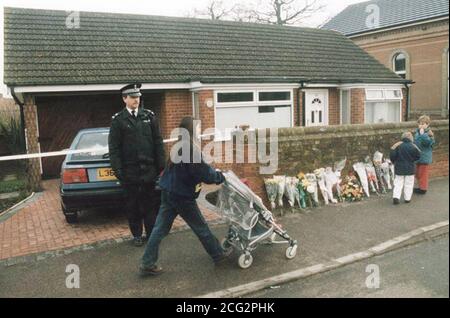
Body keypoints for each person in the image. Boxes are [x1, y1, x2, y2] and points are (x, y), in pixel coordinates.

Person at [139, 116, 232, 276]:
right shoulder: (190, 149)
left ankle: (147, 263)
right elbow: (204, 173)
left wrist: (212, 172)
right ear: (190, 130)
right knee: (200, 226)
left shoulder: (180, 145)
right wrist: (220, 176)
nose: (199, 131)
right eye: (197, 128)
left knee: (159, 229)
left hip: (168, 191)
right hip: (181, 195)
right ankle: (218, 255)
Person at [109, 83, 165, 247]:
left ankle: (150, 234)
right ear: (124, 99)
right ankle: (136, 235)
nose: (136, 100)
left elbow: (157, 142)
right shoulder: (118, 120)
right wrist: (119, 170)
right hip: (130, 172)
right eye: (133, 97)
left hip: (148, 170)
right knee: (133, 205)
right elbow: (114, 148)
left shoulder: (148, 116)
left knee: (150, 205)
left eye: (138, 97)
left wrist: (160, 165)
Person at [390, 132, 421, 205]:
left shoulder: (397, 145)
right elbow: (418, 155)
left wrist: (394, 161)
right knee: (409, 183)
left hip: (399, 167)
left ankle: (396, 197)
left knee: (398, 183)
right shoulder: (413, 146)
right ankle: (407, 198)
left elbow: (392, 154)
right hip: (410, 167)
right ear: (411, 138)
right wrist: (413, 160)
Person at [414, 115, 435, 195]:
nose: (421, 125)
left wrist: (423, 135)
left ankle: (423, 189)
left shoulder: (429, 133)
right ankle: (420, 187)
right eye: (420, 124)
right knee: (418, 173)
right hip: (418, 156)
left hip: (424, 157)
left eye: (423, 124)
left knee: (423, 174)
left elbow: (428, 143)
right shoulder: (417, 132)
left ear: (427, 124)